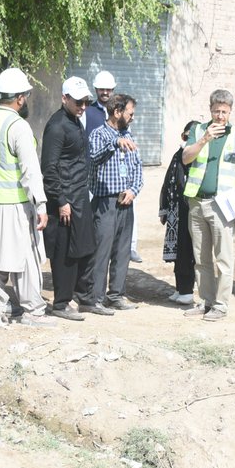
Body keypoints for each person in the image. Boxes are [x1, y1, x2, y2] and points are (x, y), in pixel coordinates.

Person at [0, 68, 55, 328]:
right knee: (26, 258)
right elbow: (31, 171)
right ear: (19, 98)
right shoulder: (18, 126)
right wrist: (41, 204)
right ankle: (33, 311)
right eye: (25, 96)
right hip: (14, 204)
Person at [182, 89, 235, 322]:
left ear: (230, 112)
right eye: (216, 111)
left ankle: (221, 305)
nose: (220, 116)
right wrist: (204, 139)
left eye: (224, 112)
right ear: (210, 110)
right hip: (197, 201)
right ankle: (206, 301)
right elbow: (186, 158)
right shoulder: (198, 130)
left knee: (223, 258)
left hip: (223, 204)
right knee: (201, 257)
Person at [41, 76, 99, 320]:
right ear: (64, 98)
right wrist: (61, 200)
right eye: (78, 102)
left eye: (86, 102)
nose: (83, 107)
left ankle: (86, 298)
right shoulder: (57, 127)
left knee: (86, 248)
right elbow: (49, 169)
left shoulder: (75, 121)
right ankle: (61, 303)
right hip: (64, 200)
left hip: (80, 195)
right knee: (65, 253)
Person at [88, 93, 143, 312]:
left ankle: (116, 295)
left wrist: (133, 190)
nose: (132, 118)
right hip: (105, 202)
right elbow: (94, 158)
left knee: (122, 251)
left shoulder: (129, 135)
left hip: (126, 201)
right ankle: (95, 298)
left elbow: (138, 168)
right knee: (101, 251)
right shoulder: (99, 134)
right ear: (117, 112)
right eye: (130, 113)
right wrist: (114, 143)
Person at [159, 120, 199, 305]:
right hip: (176, 210)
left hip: (188, 209)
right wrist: (164, 208)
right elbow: (168, 180)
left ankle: (187, 290)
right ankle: (179, 288)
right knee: (177, 252)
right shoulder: (178, 153)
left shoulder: (197, 155)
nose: (187, 140)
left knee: (186, 251)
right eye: (185, 136)